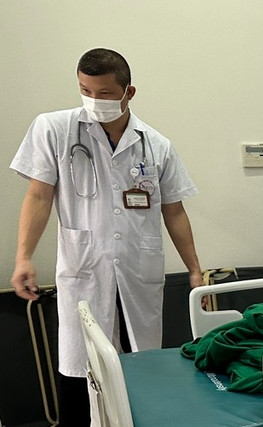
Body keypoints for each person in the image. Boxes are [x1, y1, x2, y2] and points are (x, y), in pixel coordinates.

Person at [9, 48, 203, 427]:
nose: (93, 101)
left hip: (138, 272)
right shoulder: (55, 129)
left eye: (104, 94)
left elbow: (175, 211)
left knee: (139, 372)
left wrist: (195, 270)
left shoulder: (156, 144)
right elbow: (39, 195)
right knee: (81, 373)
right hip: (85, 271)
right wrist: (23, 257)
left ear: (129, 92)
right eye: (85, 91)